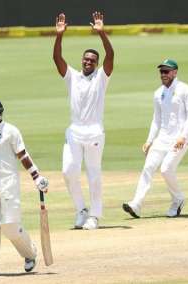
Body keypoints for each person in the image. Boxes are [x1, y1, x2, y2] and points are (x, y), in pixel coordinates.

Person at [0, 98, 49, 277]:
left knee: (10, 226)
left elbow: (23, 155)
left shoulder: (11, 131)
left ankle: (30, 254)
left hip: (8, 183)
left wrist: (37, 177)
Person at [52, 12, 114, 230]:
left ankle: (95, 216)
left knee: (94, 174)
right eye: (85, 59)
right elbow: (57, 60)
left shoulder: (101, 78)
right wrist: (59, 36)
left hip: (95, 131)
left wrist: (102, 33)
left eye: (92, 60)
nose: (88, 62)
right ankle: (81, 210)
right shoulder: (72, 77)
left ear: (96, 64)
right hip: (74, 131)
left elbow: (111, 56)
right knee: (68, 171)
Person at [122, 59, 188, 218]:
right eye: (161, 71)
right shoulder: (158, 93)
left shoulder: (185, 90)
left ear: (175, 72)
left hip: (179, 139)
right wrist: (149, 141)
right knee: (148, 168)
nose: (163, 74)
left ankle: (178, 199)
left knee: (166, 169)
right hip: (162, 138)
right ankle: (136, 204)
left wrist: (183, 136)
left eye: (166, 71)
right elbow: (156, 120)